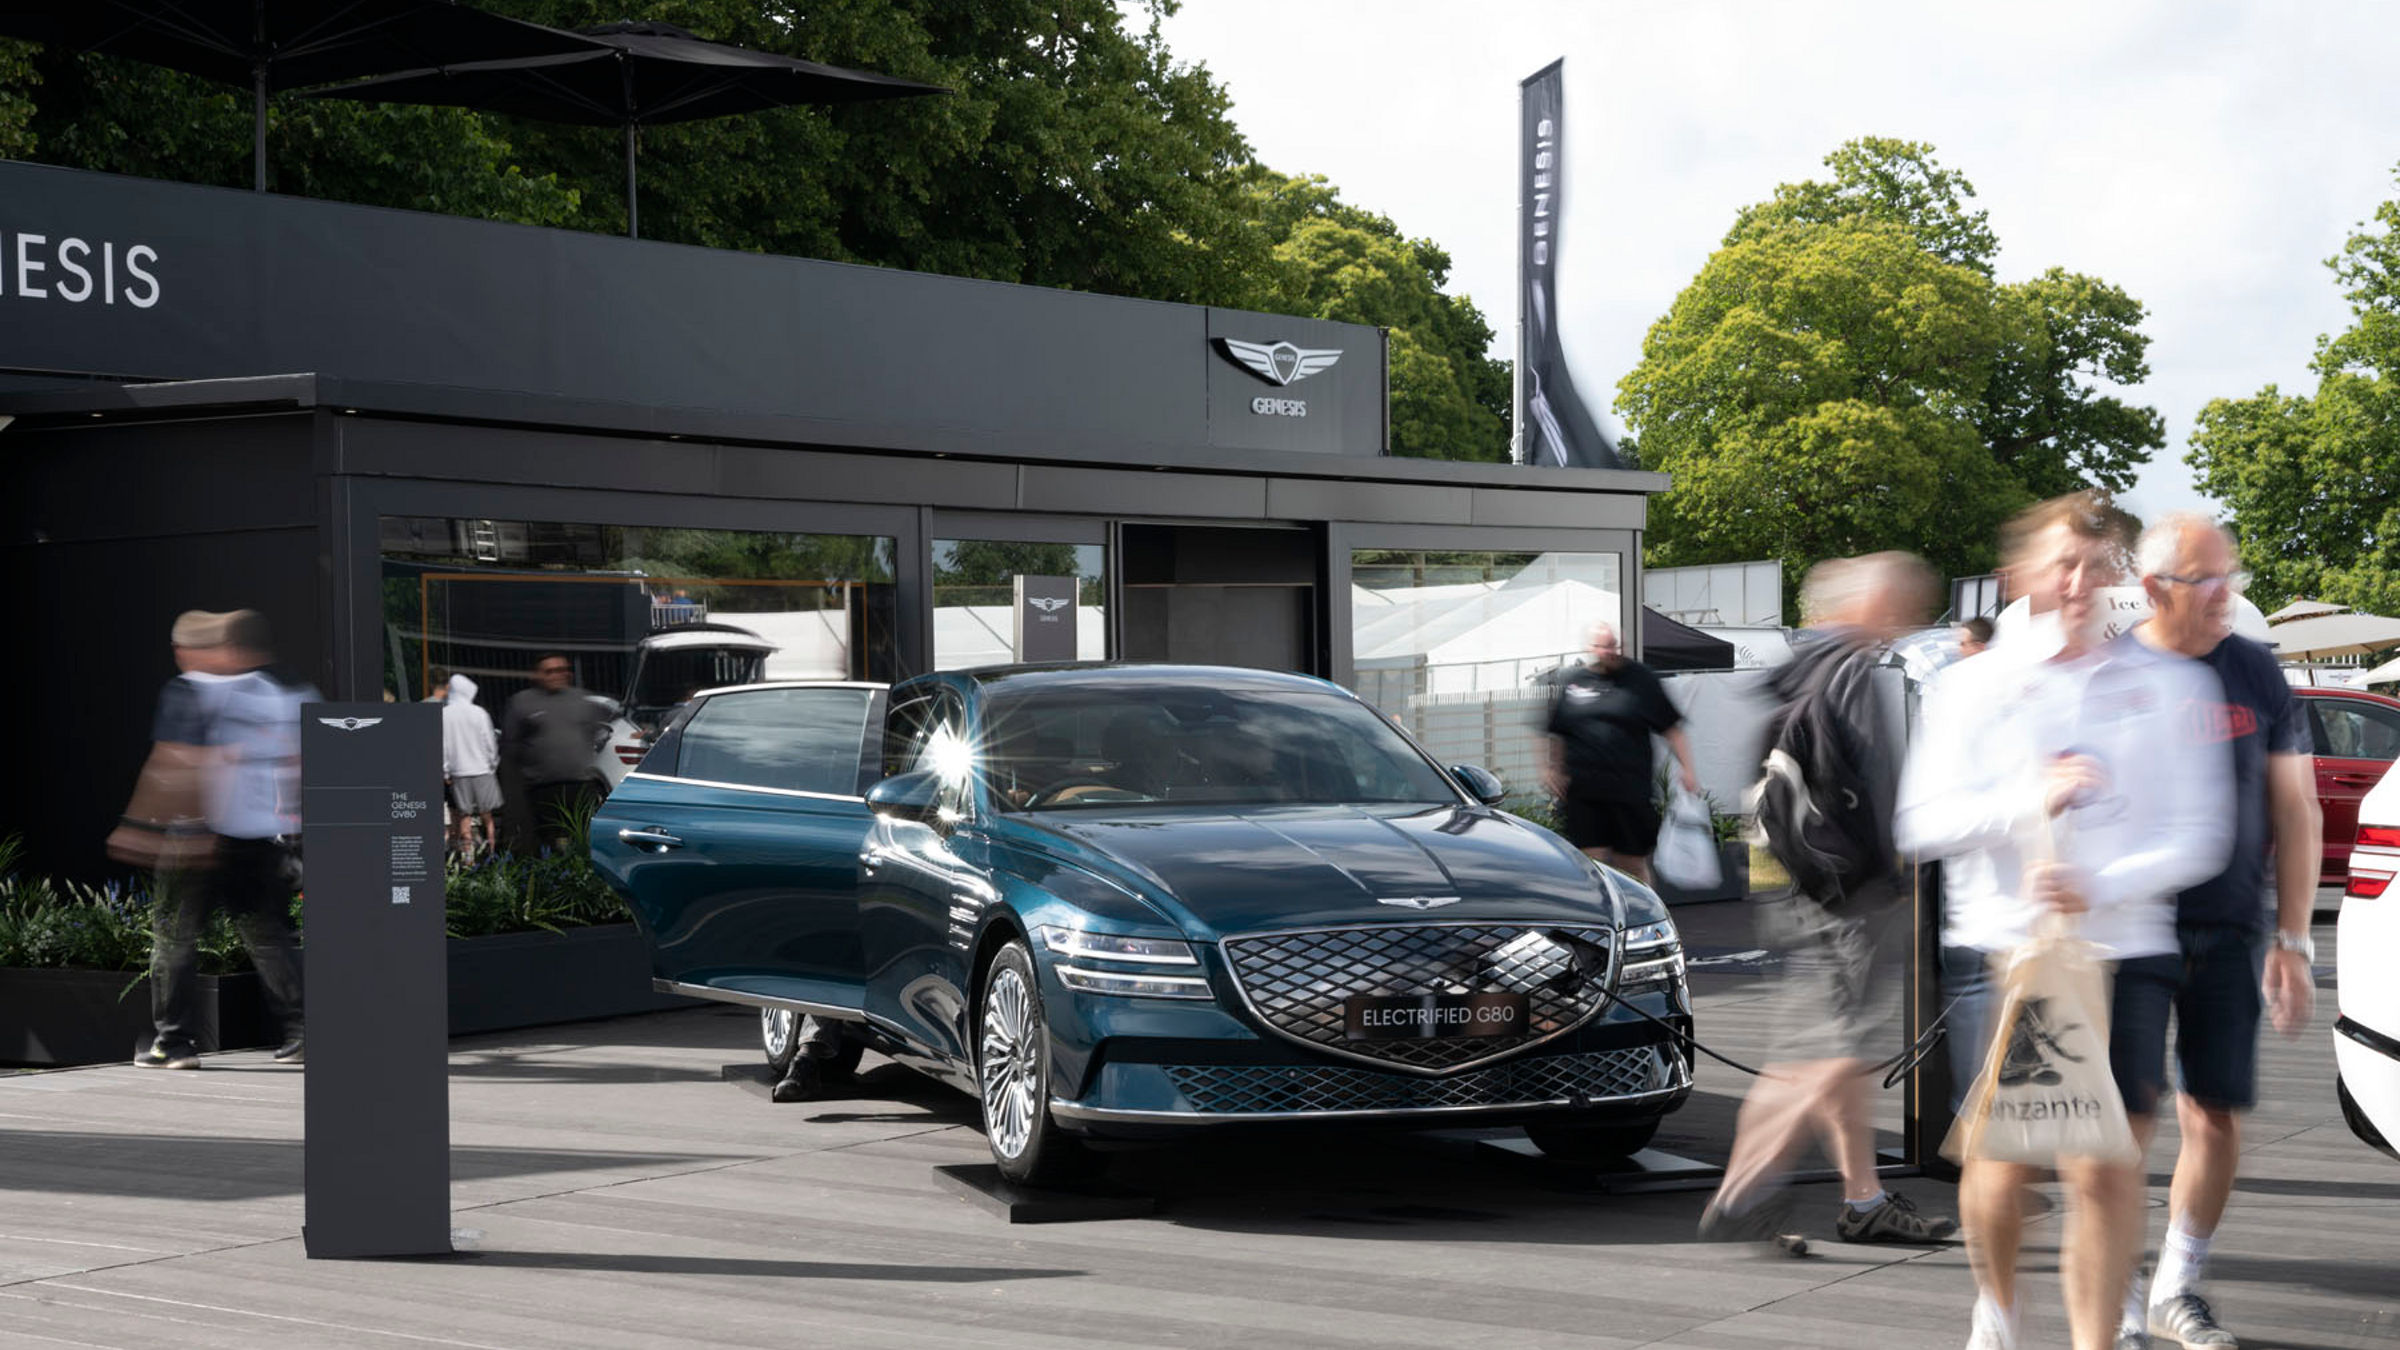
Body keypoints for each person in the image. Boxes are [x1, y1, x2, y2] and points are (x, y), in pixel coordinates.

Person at [1898, 493, 2233, 1350]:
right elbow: (1921, 824)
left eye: (2097, 565)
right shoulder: (1973, 687)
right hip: (2008, 952)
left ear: (2121, 574)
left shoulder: (2172, 684)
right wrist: (2027, 803)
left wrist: (2101, 882)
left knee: (2104, 1161)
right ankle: (2000, 1312)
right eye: (2063, 564)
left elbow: (2201, 833)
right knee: (2003, 1163)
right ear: (2025, 574)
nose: (2080, 582)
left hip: (2124, 951)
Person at [1700, 553, 1958, 1249]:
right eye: (1903, 600)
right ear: (1871, 604)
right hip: (1848, 895)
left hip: (1798, 885)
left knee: (1822, 1046)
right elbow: (1873, 796)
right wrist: (1892, 877)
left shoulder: (1804, 666)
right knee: (1831, 1052)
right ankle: (1744, 1192)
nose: (1911, 612)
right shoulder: (1850, 673)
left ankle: (1863, 1199)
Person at [2116, 516, 2320, 1350]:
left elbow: (2297, 809)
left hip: (2230, 929)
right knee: (2128, 1120)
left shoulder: (2257, 672)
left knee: (2215, 1112)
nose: (2226, 592)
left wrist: (2295, 940)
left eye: (2230, 574)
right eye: (2208, 578)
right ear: (2158, 587)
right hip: (2129, 929)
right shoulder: (2113, 673)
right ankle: (2117, 1297)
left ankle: (2175, 1285)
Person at [135, 610, 315, 1069]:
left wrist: (138, 823)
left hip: (195, 834)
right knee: (269, 936)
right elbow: (299, 764)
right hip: (257, 836)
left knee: (174, 938)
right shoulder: (284, 693)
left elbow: (175, 761)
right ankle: (303, 1031)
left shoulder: (190, 690)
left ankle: (173, 1043)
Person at [1543, 621, 1700, 884]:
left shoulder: (1640, 679)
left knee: (1632, 867)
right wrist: (1553, 768)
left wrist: (1688, 770)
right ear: (1591, 648)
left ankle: (1646, 917)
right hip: (1585, 794)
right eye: (1603, 647)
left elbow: (1672, 729)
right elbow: (1558, 731)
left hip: (1629, 792)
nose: (1610, 652)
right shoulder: (1574, 682)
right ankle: (1600, 920)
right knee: (1591, 867)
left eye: (1614, 645)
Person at [501, 652, 608, 854]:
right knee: (550, 846)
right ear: (537, 675)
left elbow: (598, 735)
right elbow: (509, 747)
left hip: (580, 786)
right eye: (550, 671)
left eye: (563, 670)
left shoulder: (582, 700)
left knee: (583, 842)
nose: (558, 675)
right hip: (542, 789)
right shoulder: (522, 703)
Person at [434, 670, 502, 860]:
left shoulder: (444, 714)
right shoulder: (479, 713)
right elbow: (490, 742)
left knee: (464, 817)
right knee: (487, 817)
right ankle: (493, 854)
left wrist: (445, 771)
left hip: (458, 773)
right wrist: (492, 766)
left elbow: (443, 745)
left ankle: (467, 859)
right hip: (482, 771)